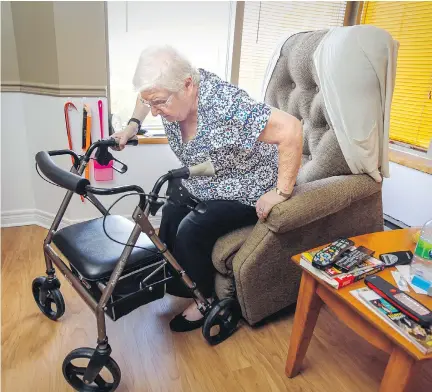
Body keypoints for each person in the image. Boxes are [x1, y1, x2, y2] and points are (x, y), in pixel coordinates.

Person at [112, 45, 302, 332]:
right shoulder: (166, 93)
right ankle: (176, 279)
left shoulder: (227, 106)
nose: (154, 111)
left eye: (160, 103)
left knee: (192, 229)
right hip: (212, 170)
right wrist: (132, 126)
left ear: (188, 85)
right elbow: (147, 95)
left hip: (248, 180)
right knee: (171, 208)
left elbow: (291, 129)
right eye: (151, 103)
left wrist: (282, 192)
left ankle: (204, 298)